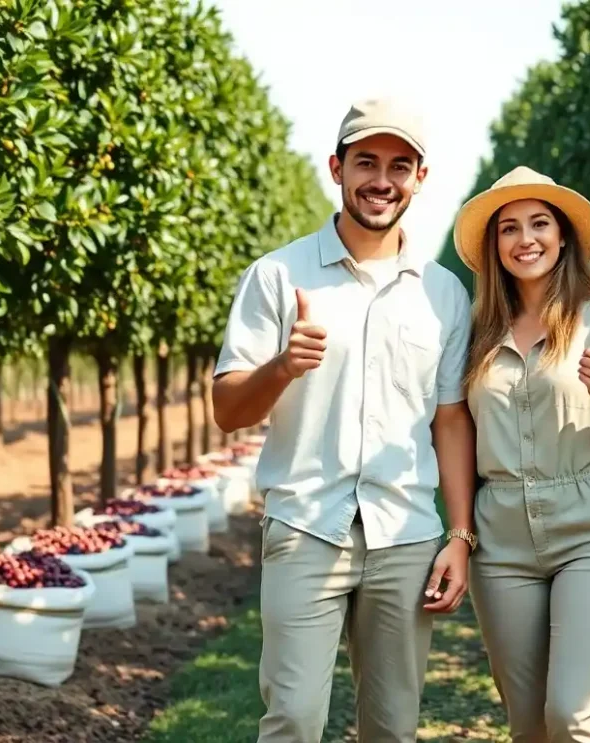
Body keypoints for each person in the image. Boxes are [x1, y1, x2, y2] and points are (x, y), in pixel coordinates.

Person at [211, 98, 478, 743]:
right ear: (337, 168)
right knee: (294, 719)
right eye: (366, 162)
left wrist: (461, 536)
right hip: (306, 524)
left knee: (392, 728)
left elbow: (449, 421)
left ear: (419, 178)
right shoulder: (277, 276)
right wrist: (282, 367)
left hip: (406, 533)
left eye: (398, 165)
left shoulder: (444, 294)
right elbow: (226, 410)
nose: (381, 180)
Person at [452, 166, 590, 743]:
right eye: (509, 229)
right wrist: (461, 536)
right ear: (495, 246)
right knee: (529, 725)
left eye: (539, 223)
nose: (526, 239)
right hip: (502, 545)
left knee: (572, 716)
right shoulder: (476, 332)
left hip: (589, 535)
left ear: (562, 235)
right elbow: (459, 434)